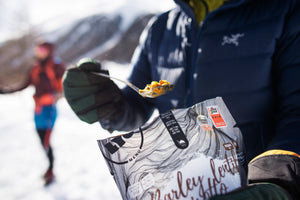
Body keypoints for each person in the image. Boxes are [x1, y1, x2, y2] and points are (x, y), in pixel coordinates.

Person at [63, 0, 300, 199]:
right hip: (176, 188)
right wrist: (107, 104)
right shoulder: (160, 29)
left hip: (251, 188)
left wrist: (276, 182)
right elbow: (136, 105)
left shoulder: (286, 11)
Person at [0, 41, 65, 186]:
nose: (39, 51)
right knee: (42, 141)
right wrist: (5, 91)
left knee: (46, 141)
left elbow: (64, 83)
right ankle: (49, 167)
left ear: (49, 50)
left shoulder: (55, 66)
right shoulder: (35, 68)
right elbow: (24, 85)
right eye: (37, 49)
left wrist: (58, 94)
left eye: (42, 49)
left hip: (49, 109)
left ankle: (50, 171)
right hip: (38, 110)